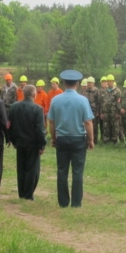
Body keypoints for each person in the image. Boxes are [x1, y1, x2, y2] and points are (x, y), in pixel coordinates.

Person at [48, 70, 95, 208]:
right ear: (78, 84)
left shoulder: (55, 100)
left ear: (64, 83)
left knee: (62, 170)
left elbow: (51, 121)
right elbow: (88, 122)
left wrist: (54, 138)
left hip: (62, 138)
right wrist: (90, 140)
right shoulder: (83, 100)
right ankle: (76, 203)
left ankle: (63, 202)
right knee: (77, 171)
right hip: (78, 139)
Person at [8, 85, 47, 200]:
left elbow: (10, 125)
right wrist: (42, 144)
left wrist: (13, 140)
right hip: (33, 144)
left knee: (21, 168)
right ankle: (28, 194)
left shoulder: (14, 106)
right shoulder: (38, 109)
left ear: (23, 94)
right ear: (34, 95)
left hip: (19, 142)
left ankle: (22, 193)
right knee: (32, 169)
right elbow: (40, 130)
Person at [101, 75, 121, 144]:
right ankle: (106, 139)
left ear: (113, 82)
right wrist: (102, 112)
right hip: (106, 112)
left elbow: (119, 102)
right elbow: (102, 102)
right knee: (106, 126)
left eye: (110, 81)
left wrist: (118, 113)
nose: (108, 83)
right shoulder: (104, 91)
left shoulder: (117, 91)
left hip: (114, 112)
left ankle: (114, 140)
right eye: (107, 81)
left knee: (114, 126)